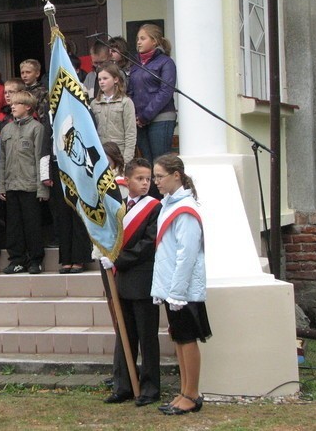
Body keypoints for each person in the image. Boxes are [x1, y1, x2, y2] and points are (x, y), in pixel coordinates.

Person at [98, 158, 162, 407]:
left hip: (143, 279)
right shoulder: (121, 207)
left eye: (148, 179)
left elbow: (148, 244)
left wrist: (118, 260)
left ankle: (149, 387)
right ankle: (123, 384)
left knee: (147, 337)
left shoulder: (154, 208)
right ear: (128, 179)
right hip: (121, 281)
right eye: (140, 178)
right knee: (124, 335)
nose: (145, 183)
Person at [151, 153, 210, 415]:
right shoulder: (169, 204)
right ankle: (184, 390)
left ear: (177, 175)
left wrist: (176, 292)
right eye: (155, 177)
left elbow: (186, 254)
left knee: (187, 340)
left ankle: (192, 393)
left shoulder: (186, 209)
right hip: (172, 287)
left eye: (160, 176)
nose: (156, 182)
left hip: (183, 290)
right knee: (178, 339)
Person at [0, 91, 49, 274]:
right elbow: (2, 160)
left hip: (30, 186)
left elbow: (39, 159)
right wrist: (1, 186)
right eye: (11, 103)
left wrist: (42, 189)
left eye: (17, 104)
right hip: (11, 185)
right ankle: (17, 259)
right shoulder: (6, 130)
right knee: (14, 227)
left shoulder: (36, 128)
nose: (12, 106)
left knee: (32, 225)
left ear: (28, 107)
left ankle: (35, 260)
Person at [127, 24, 177, 165]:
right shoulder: (135, 64)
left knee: (160, 163)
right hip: (140, 121)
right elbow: (131, 91)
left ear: (154, 41)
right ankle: (150, 188)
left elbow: (166, 91)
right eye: (137, 39)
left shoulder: (166, 62)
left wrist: (145, 116)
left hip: (161, 118)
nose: (138, 42)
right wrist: (135, 115)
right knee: (147, 163)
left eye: (143, 38)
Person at [90, 62, 137, 164]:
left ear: (115, 79)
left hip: (119, 153)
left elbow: (130, 134)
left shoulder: (126, 102)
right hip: (100, 153)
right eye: (99, 79)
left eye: (105, 78)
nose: (102, 82)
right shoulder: (94, 104)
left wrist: (126, 161)